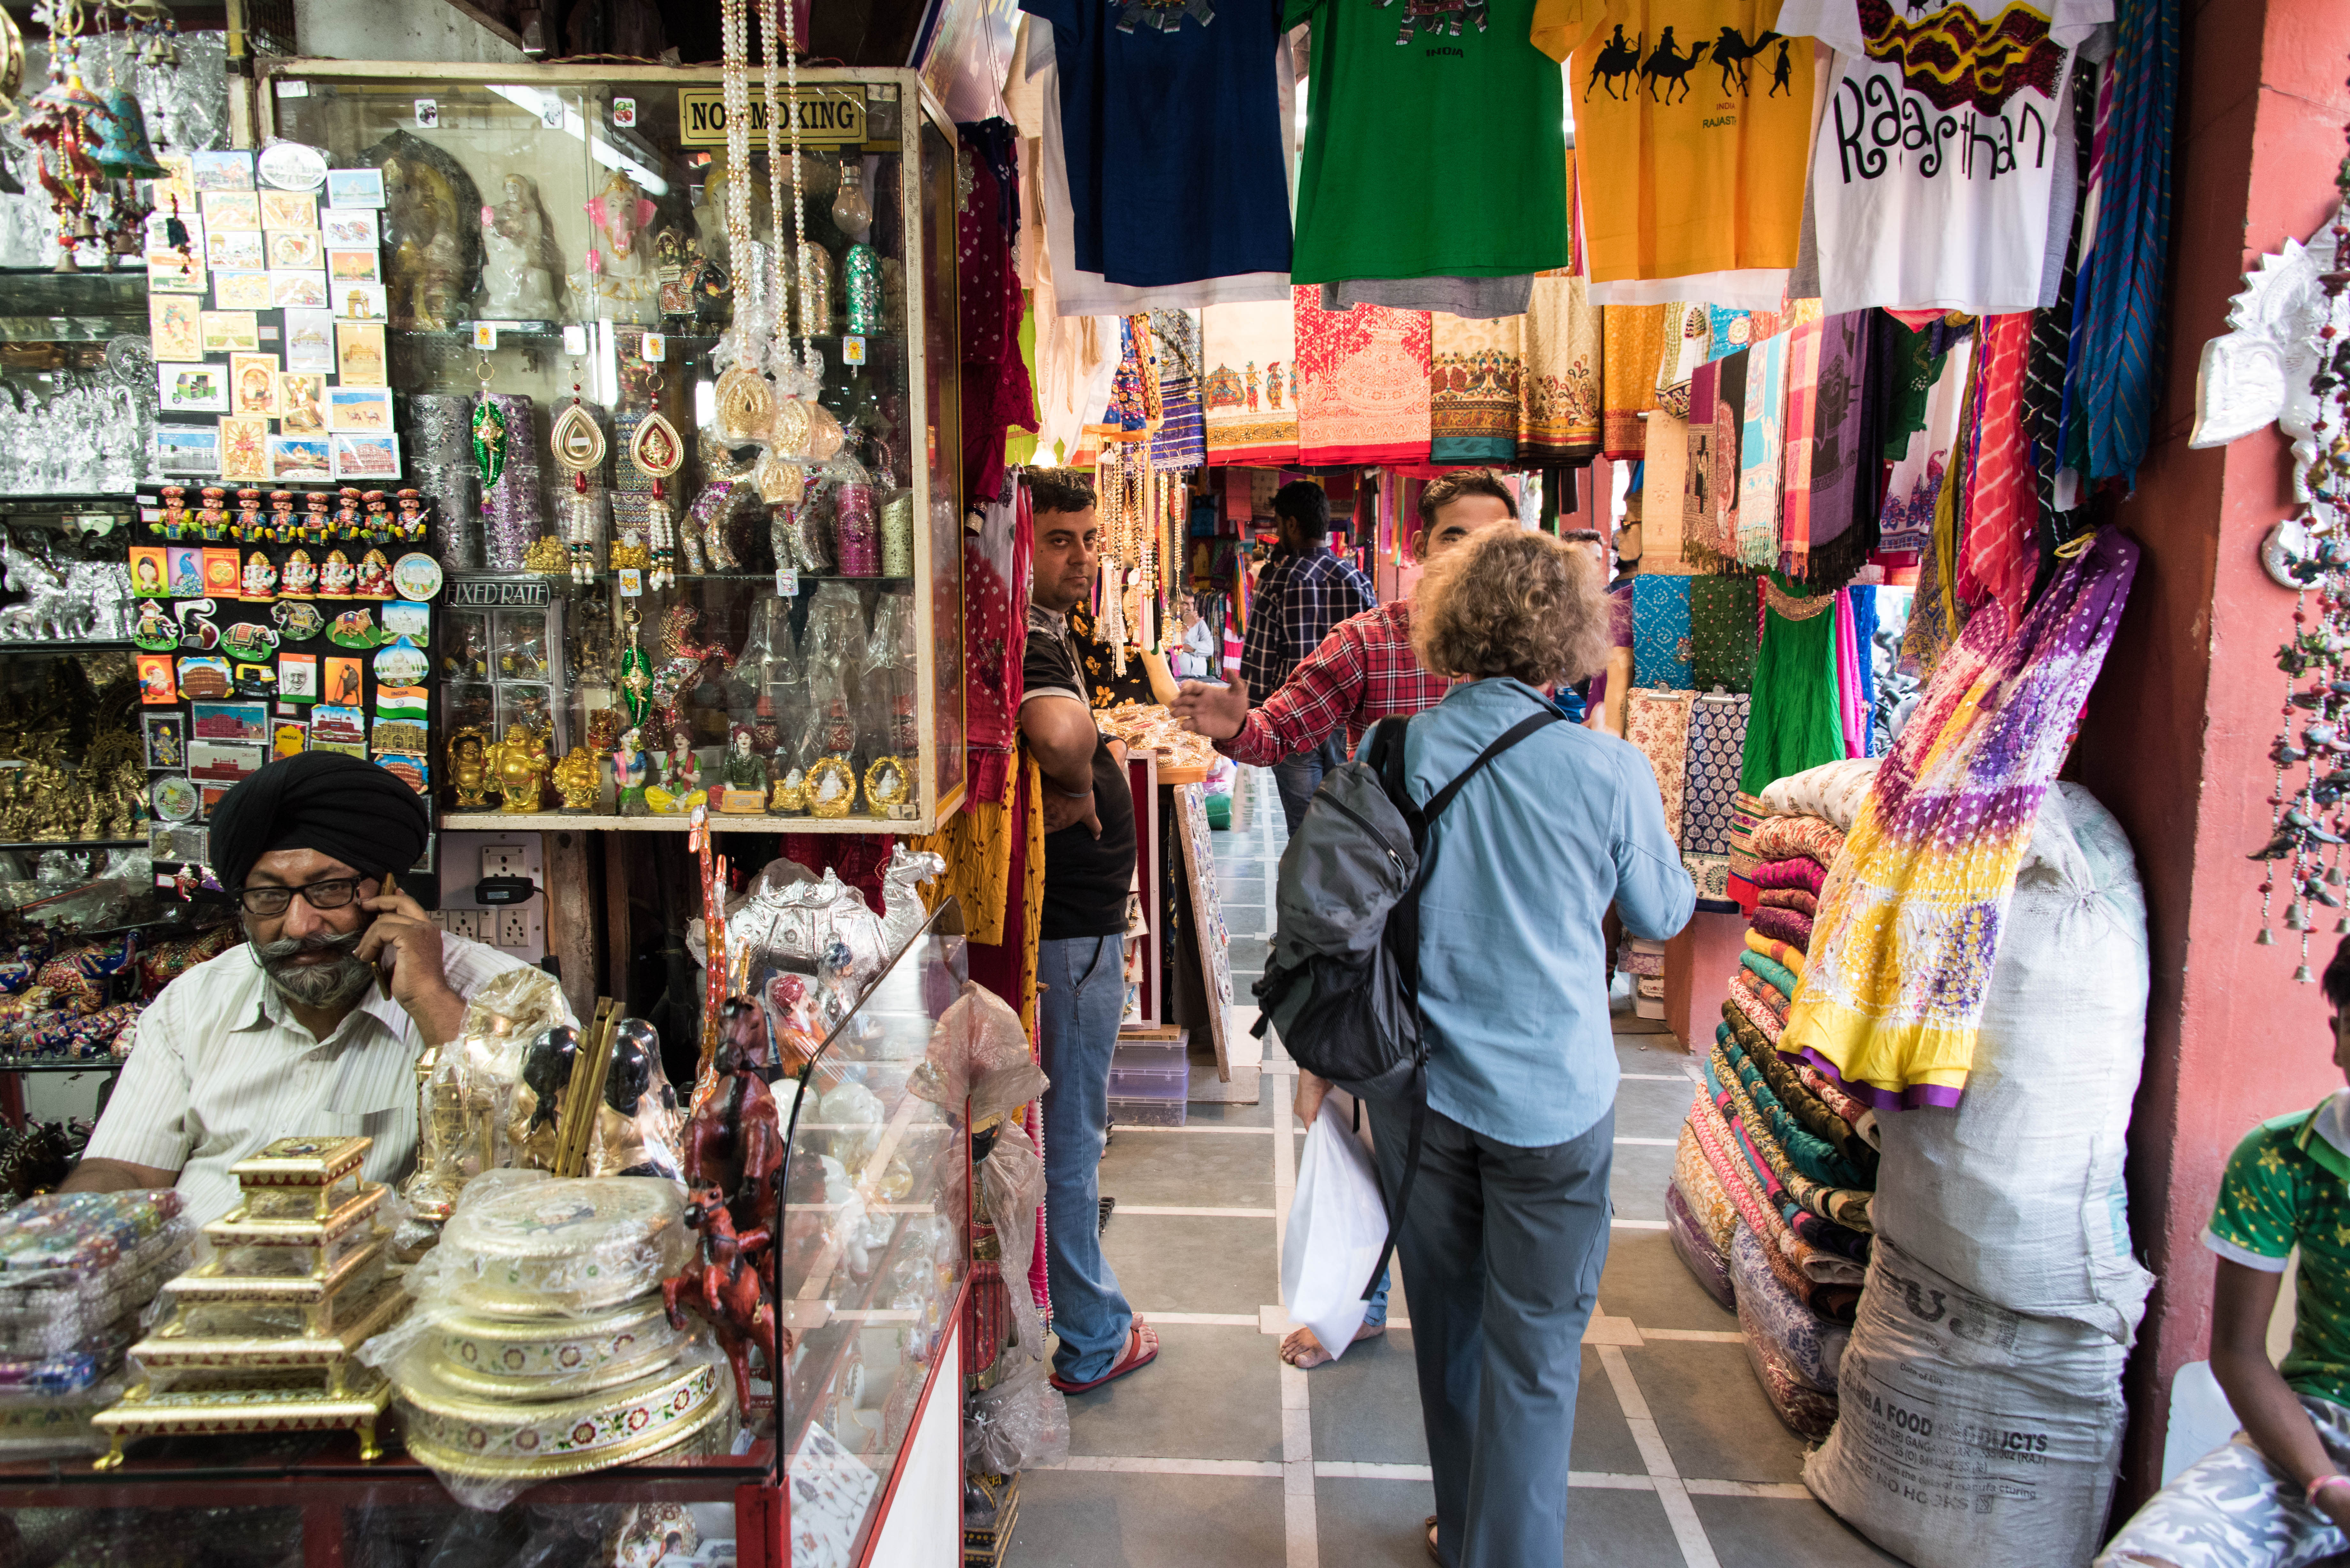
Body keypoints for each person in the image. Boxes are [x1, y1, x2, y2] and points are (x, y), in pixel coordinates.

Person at [1289, 528, 1693, 1568]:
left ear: (1450, 626)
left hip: (1421, 1094)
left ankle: (1467, 1529)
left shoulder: (1396, 752)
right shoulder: (1609, 768)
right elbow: (1662, 911)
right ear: (1571, 637)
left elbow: (1345, 915)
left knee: (1452, 1328)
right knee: (1538, 1351)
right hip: (1558, 1104)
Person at [1171, 466, 1523, 1367]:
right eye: (1456, 538)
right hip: (1384, 927)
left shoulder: (1534, 654)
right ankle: (1353, 1300)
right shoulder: (1371, 639)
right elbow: (1282, 728)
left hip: (1495, 932)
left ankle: (1481, 1302)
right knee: (1360, 1114)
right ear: (1423, 549)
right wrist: (1232, 724)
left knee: (1482, 1128)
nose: (1474, 557)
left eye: (1494, 540)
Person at [61, 751, 569, 1225]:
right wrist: (65, 1238)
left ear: (388, 890)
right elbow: (124, 1171)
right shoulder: (193, 1002)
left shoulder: (507, 995)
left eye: (329, 890)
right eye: (269, 896)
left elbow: (542, 1180)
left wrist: (431, 1000)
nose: (300, 925)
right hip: (195, 1271)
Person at [2097, 936, 2350, 1567]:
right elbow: (2238, 1354)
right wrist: (2325, 1484)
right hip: (2315, 1432)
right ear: (2337, 1035)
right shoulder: (2281, 1157)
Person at [1017, 470, 1156, 1395]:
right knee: (1071, 1140)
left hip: (1077, 926)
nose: (1081, 557)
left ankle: (1079, 1317)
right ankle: (1092, 1336)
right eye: (1059, 539)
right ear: (1023, 544)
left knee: (1070, 1133)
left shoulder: (1048, 630)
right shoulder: (1031, 639)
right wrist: (1077, 775)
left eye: (1090, 539)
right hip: (1070, 936)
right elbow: (1059, 735)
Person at [1240, 479, 1376, 831]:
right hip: (1347, 725)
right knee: (1348, 825)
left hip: (1294, 723)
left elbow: (1259, 664)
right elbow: (1376, 655)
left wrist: (1252, 727)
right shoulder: (1357, 580)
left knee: (1304, 831)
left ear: (1292, 524)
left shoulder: (1278, 582)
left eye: (1278, 523)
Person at [1171, 593, 1218, 681]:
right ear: (1172, 604)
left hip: (1201, 678)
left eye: (1192, 604)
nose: (1190, 608)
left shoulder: (1200, 623)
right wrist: (1187, 626)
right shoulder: (1166, 623)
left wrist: (1182, 647)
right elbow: (1170, 648)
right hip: (1176, 679)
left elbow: (1210, 649)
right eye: (1185, 604)